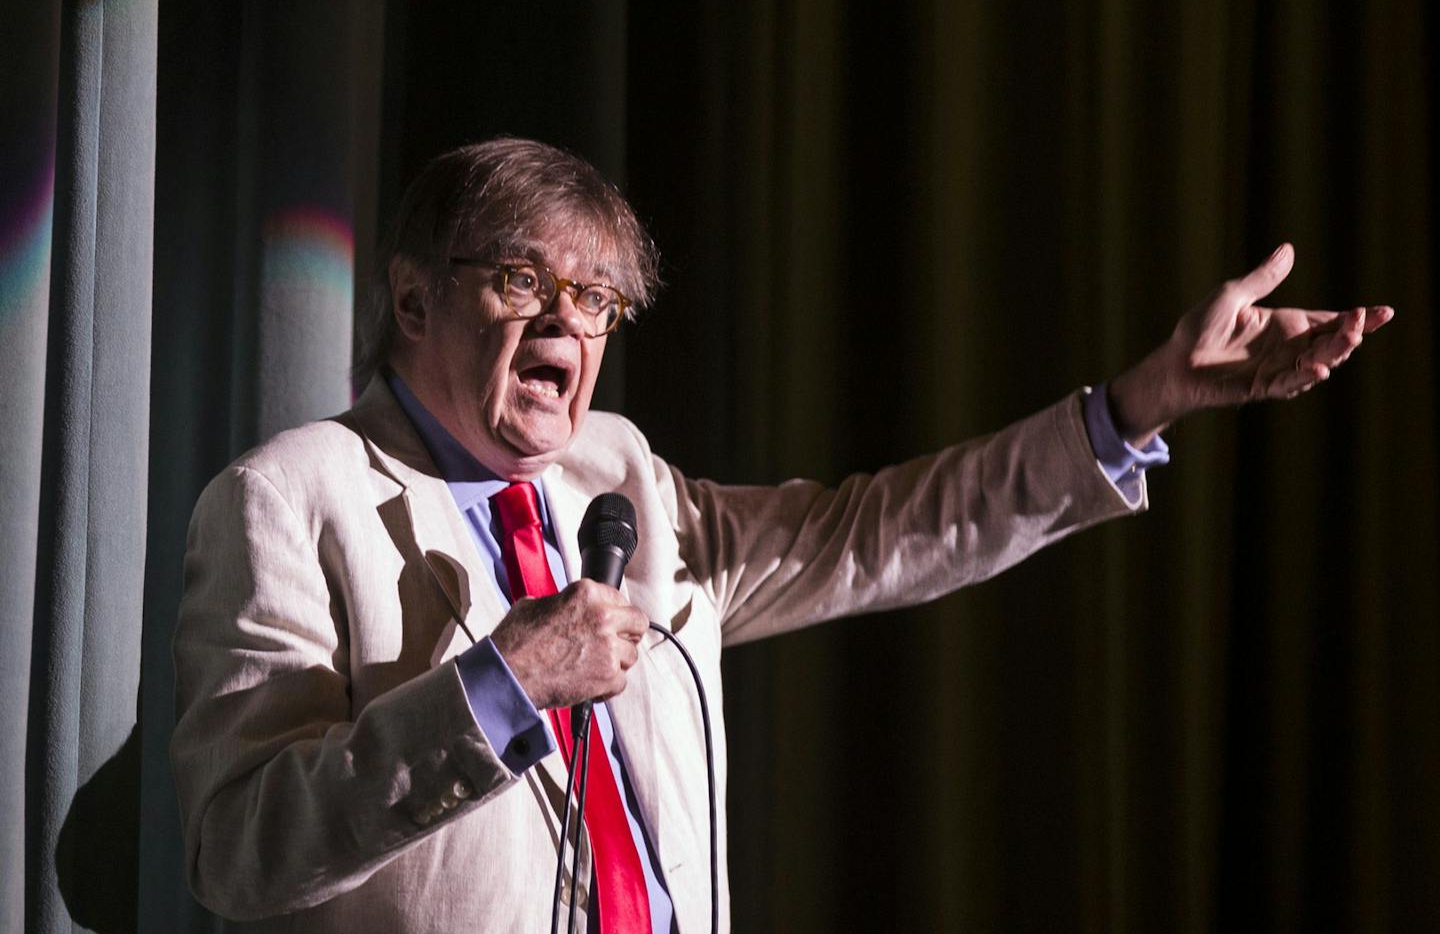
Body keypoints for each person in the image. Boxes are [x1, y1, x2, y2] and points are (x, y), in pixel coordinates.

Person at [170, 138, 1392, 934]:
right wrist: (500, 686)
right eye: (522, 280)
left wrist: (1138, 408)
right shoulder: (291, 498)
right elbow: (236, 853)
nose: (567, 323)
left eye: (596, 298)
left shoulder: (621, 477)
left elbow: (870, 532)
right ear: (414, 298)